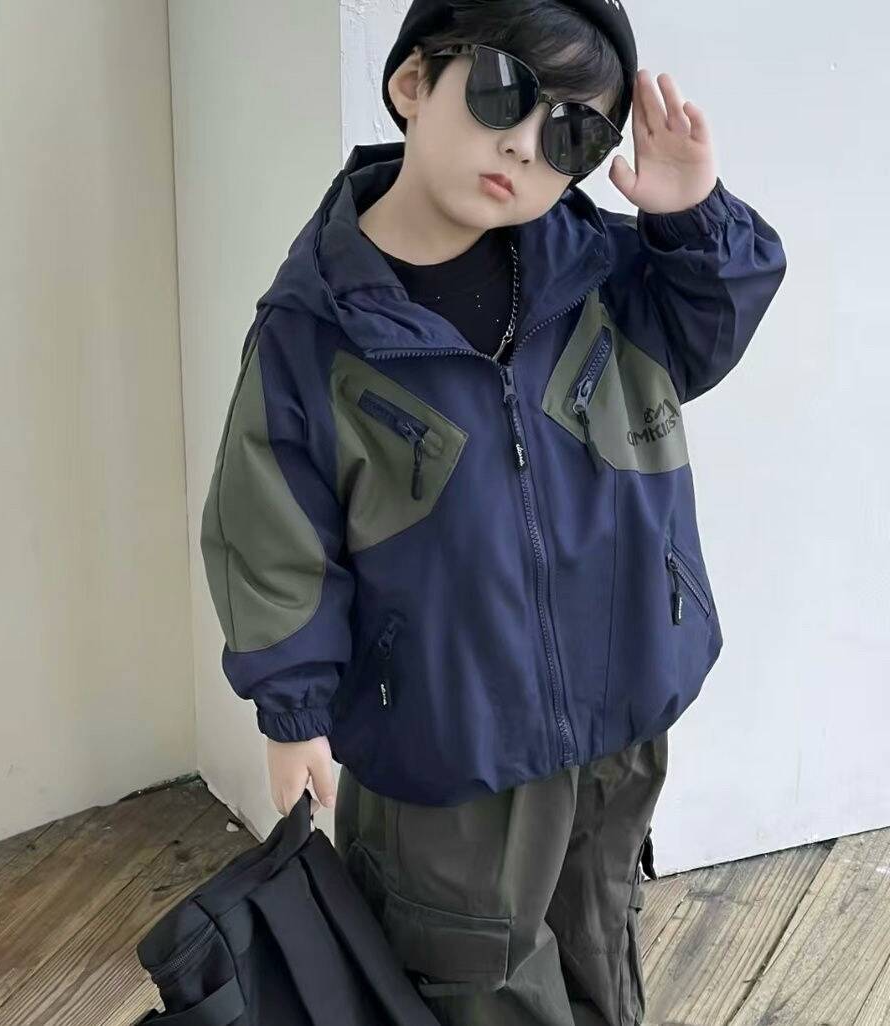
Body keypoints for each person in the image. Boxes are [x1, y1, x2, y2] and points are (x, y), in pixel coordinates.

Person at [198, 0, 787, 1022]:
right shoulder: (318, 331)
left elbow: (715, 318)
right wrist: (292, 712)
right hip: (443, 741)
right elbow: (271, 528)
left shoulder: (605, 278)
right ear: (412, 82)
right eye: (504, 91)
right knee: (469, 972)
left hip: (616, 707)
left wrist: (690, 215)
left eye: (573, 134)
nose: (525, 143)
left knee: (598, 929)